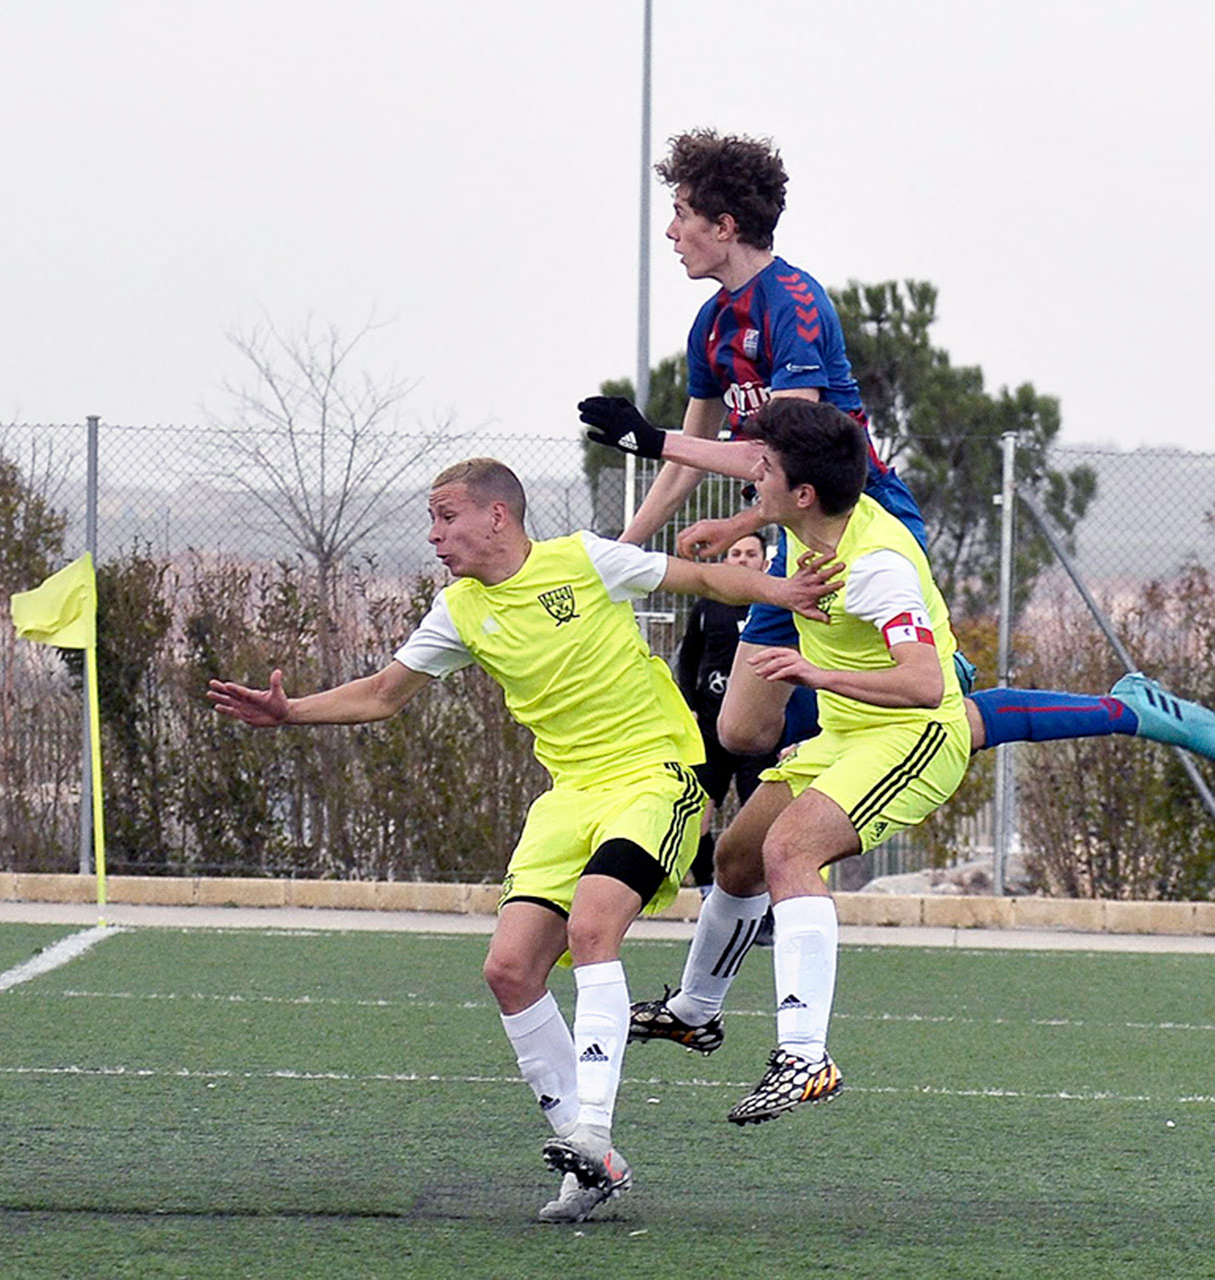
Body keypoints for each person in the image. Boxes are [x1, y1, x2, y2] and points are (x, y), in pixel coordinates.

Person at [207, 458, 840, 1224]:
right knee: (509, 970)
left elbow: (703, 581)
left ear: (497, 517)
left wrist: (784, 590)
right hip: (568, 799)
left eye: (446, 518)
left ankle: (595, 1135)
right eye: (432, 522)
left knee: (593, 925)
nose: (435, 536)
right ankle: (589, 1167)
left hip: (652, 775)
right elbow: (383, 694)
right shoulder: (460, 609)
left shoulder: (584, 559)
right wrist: (291, 712)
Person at [578, 127, 1215, 768]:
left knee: (943, 720)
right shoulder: (711, 325)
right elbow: (690, 457)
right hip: (798, 527)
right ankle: (912, 692)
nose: (669, 232)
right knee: (741, 731)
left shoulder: (794, 304)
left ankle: (1124, 708)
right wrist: (621, 553)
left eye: (680, 214)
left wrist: (659, 444)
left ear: (724, 225)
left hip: (863, 517)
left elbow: (785, 454)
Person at [635, 398, 970, 1124]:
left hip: (913, 736)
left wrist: (818, 678)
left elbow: (924, 684)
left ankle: (806, 1058)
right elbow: (750, 474)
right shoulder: (805, 528)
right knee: (736, 859)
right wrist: (658, 443)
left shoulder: (876, 565)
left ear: (804, 493)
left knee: (790, 852)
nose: (753, 473)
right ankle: (695, 1010)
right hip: (846, 737)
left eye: (766, 468)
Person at [673, 530, 773, 889]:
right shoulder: (707, 606)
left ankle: (759, 905)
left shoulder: (774, 608)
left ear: (764, 562)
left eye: (749, 554)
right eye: (735, 553)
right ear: (725, 561)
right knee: (695, 813)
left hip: (757, 733)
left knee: (757, 822)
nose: (742, 560)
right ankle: (706, 890)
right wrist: (690, 705)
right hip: (711, 732)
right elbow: (688, 658)